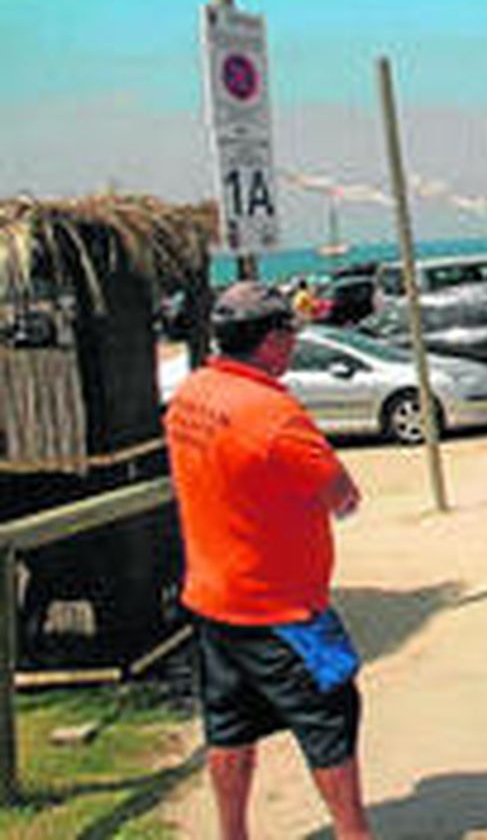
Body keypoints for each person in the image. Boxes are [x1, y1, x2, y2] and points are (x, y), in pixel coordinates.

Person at [163, 281, 372, 840]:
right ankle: (355, 833)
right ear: (271, 341)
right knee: (330, 721)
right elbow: (343, 496)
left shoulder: (192, 394)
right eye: (290, 335)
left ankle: (232, 834)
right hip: (281, 609)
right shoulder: (273, 414)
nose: (294, 346)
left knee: (229, 728)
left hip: (211, 600)